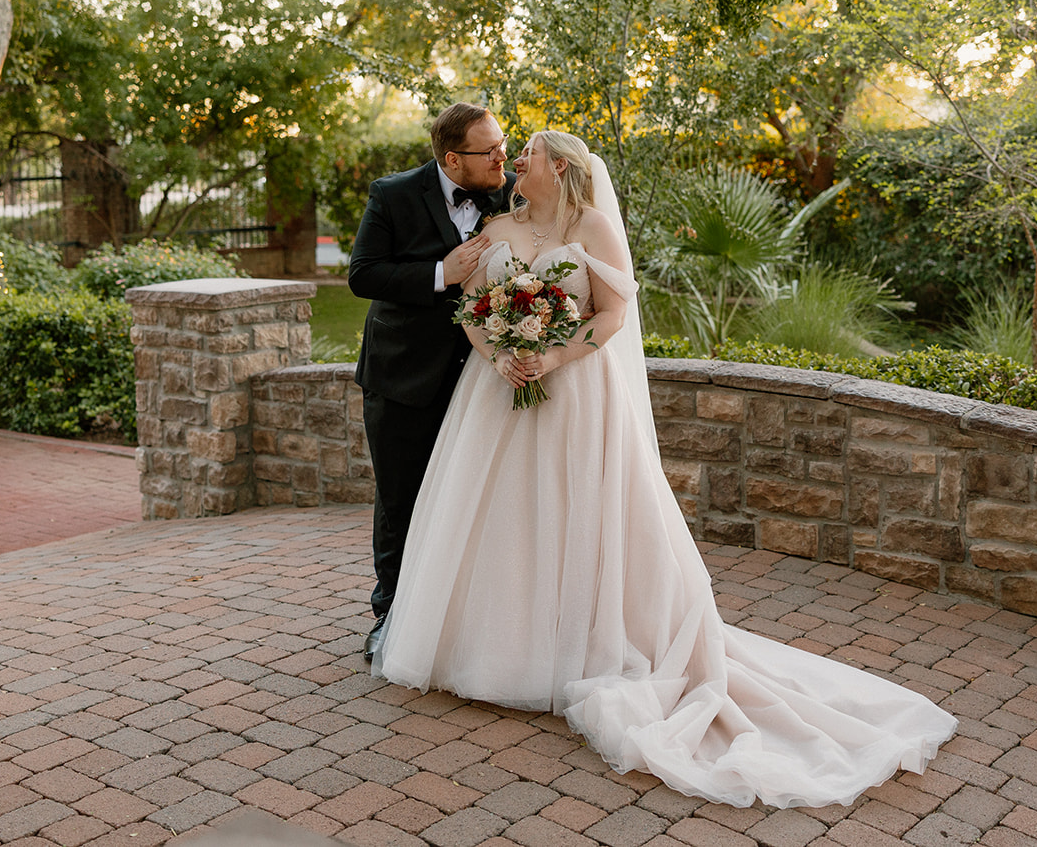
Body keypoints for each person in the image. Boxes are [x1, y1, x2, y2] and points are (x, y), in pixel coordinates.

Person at [373, 130, 957, 809]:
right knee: (504, 520)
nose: (515, 163)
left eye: (525, 153)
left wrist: (553, 357)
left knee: (575, 512)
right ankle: (494, 651)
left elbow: (615, 311)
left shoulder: (594, 225)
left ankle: (577, 647)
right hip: (496, 393)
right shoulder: (496, 224)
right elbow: (471, 310)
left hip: (576, 394)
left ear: (558, 167)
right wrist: (501, 353)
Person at [348, 102, 517, 663]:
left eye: (504, 144)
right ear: (452, 158)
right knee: (402, 501)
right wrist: (444, 273)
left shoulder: (512, 191)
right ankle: (390, 617)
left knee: (472, 499)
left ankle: (461, 620)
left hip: (481, 381)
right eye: (489, 150)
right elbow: (363, 274)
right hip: (401, 376)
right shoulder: (392, 195)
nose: (502, 156)